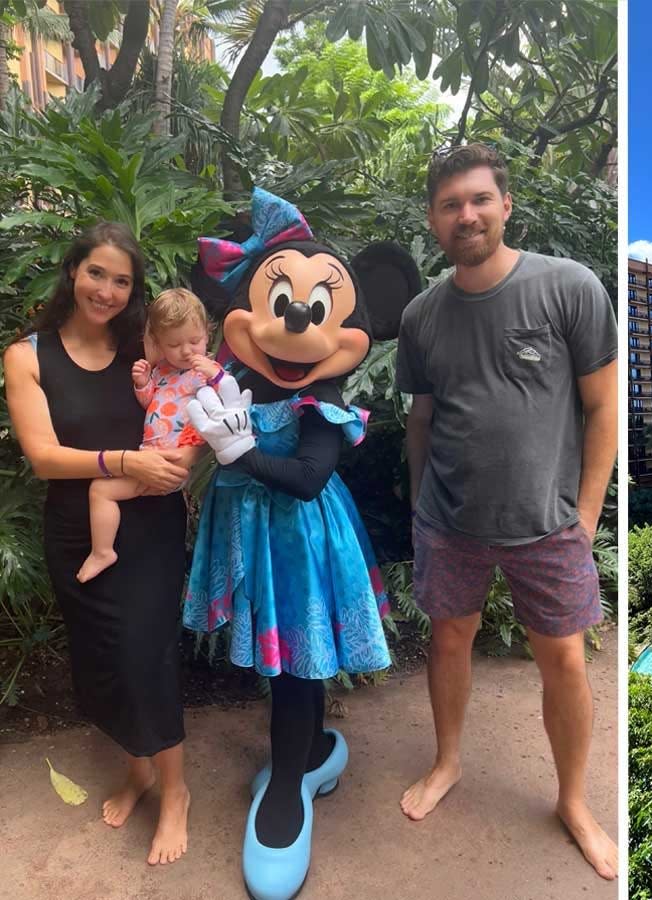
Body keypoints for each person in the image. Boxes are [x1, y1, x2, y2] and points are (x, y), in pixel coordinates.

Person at [182, 187, 423, 900]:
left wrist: (240, 455)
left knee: (296, 664)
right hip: (251, 535)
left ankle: (287, 788)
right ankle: (314, 752)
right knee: (285, 662)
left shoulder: (323, 401)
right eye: (279, 301)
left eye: (316, 309)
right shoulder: (235, 379)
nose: (292, 321)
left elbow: (311, 477)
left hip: (300, 539)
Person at [395, 143, 619, 880]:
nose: (468, 214)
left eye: (480, 199)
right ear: (433, 220)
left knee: (562, 661)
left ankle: (573, 802)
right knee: (449, 642)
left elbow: (601, 409)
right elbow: (421, 421)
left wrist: (585, 518)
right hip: (449, 522)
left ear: (506, 205)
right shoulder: (422, 315)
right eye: (452, 204)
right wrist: (423, 504)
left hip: (549, 526)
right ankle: (448, 762)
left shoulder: (569, 286)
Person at [3, 222, 192, 865]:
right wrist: (127, 463)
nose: (107, 290)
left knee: (146, 655)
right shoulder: (28, 356)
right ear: (72, 272)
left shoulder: (146, 348)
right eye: (96, 274)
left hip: (152, 526)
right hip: (76, 532)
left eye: (122, 280)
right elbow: (45, 458)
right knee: (108, 659)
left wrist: (179, 459)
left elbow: (192, 404)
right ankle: (138, 770)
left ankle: (176, 792)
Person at [76, 288, 222, 582]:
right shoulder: (163, 371)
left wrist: (215, 374)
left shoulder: (207, 371)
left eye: (195, 341)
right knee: (107, 492)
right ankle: (106, 550)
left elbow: (226, 403)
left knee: (100, 491)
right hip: (149, 458)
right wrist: (143, 383)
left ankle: (103, 551)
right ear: (157, 343)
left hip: (171, 461)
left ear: (207, 334)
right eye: (174, 344)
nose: (186, 351)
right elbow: (152, 405)